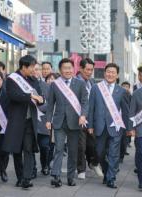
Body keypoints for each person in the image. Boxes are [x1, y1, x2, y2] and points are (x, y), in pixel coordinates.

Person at [2, 55, 44, 189]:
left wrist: (41, 99)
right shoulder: (12, 79)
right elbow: (13, 95)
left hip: (30, 121)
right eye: (31, 67)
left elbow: (40, 95)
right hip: (16, 120)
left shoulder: (34, 80)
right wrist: (30, 96)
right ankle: (20, 177)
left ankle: (26, 178)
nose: (33, 70)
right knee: (17, 150)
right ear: (24, 67)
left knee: (28, 149)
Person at [46, 58, 89, 187]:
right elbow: (50, 104)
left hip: (75, 122)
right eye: (65, 68)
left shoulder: (80, 84)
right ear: (60, 70)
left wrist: (83, 115)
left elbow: (85, 102)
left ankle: (70, 177)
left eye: (70, 68)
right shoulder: (55, 84)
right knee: (58, 149)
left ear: (73, 69)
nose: (68, 70)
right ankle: (56, 176)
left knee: (73, 151)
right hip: (59, 122)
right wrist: (48, 120)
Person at [88, 63, 129, 188]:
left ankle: (111, 178)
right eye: (108, 72)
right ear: (104, 73)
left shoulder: (122, 91)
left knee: (114, 153)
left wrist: (129, 128)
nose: (110, 74)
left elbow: (126, 111)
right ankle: (107, 171)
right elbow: (91, 108)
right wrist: (90, 125)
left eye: (113, 72)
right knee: (99, 153)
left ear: (117, 75)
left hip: (116, 126)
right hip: (99, 126)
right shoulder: (96, 88)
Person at [76, 58, 103, 179]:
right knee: (81, 146)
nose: (89, 72)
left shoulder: (92, 83)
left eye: (91, 70)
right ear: (81, 68)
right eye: (87, 69)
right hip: (79, 118)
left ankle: (94, 163)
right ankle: (81, 169)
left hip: (91, 120)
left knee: (95, 145)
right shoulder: (74, 82)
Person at [33, 64, 53, 176]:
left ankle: (45, 165)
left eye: (38, 69)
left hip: (44, 120)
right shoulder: (26, 85)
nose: (36, 71)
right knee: (29, 147)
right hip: (30, 121)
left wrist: (38, 109)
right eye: (34, 69)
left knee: (45, 146)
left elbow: (51, 103)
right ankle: (33, 168)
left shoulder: (47, 86)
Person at [120, 81, 132, 163]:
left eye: (126, 86)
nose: (125, 88)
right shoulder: (118, 94)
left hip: (125, 120)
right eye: (123, 86)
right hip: (117, 119)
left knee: (124, 140)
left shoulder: (130, 96)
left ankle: (121, 156)